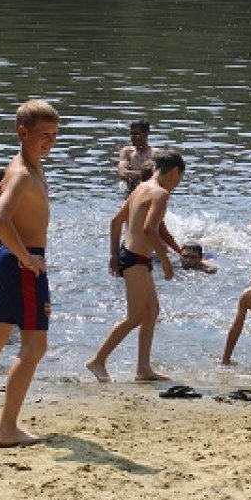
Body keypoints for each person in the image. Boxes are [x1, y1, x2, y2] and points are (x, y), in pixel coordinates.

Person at [0, 99, 60, 448]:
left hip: (12, 259)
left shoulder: (29, 166)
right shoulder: (22, 172)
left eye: (54, 136)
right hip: (23, 261)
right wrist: (28, 259)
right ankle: (7, 428)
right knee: (35, 345)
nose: (49, 142)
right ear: (22, 132)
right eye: (43, 136)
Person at [87, 149, 185, 383]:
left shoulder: (140, 188)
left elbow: (116, 222)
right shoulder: (160, 194)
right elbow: (149, 230)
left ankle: (143, 369)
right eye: (180, 179)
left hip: (127, 254)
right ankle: (97, 360)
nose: (178, 184)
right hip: (137, 261)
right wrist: (165, 261)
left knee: (151, 312)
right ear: (174, 173)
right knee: (134, 317)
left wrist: (113, 255)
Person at [116, 119, 156, 194]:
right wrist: (146, 174)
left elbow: (161, 177)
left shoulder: (155, 154)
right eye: (131, 134)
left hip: (150, 193)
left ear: (146, 133)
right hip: (130, 194)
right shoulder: (127, 152)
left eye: (136, 134)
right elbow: (122, 173)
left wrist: (133, 174)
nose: (133, 137)